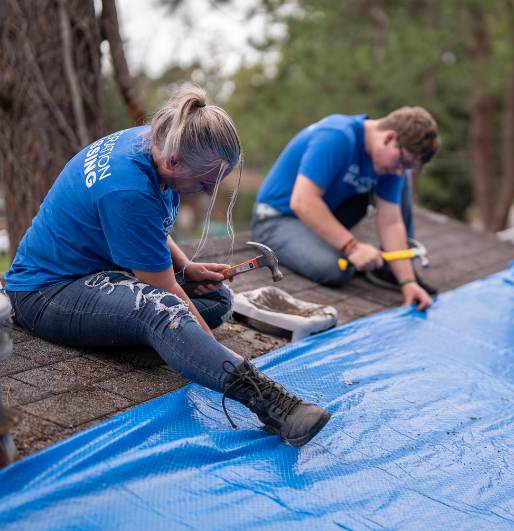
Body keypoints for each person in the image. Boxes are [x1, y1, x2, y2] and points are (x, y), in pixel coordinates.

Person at [3, 87, 330, 447]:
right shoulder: (128, 187)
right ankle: (273, 404)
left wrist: (187, 267)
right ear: (175, 162)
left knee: (218, 300)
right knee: (163, 313)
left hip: (100, 274)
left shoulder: (158, 141)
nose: (207, 193)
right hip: (46, 292)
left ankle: (150, 342)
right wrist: (228, 360)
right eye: (205, 182)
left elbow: (150, 225)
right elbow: (164, 292)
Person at [251, 108, 440, 311]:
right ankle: (355, 256)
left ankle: (390, 269)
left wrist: (407, 282)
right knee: (334, 269)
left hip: (322, 213)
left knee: (403, 180)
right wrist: (353, 247)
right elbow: (303, 201)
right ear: (389, 138)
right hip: (278, 219)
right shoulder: (337, 136)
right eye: (403, 161)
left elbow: (391, 222)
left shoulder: (391, 160)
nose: (400, 170)